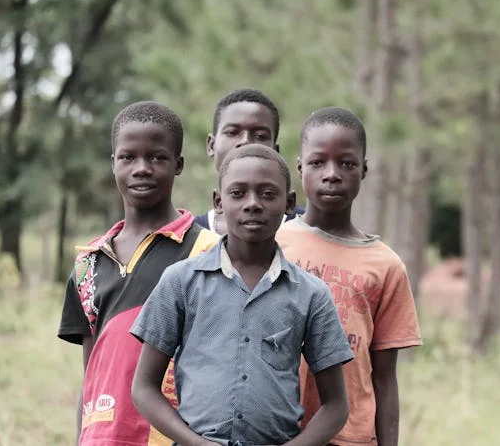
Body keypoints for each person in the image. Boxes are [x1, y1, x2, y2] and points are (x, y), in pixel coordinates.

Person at [131, 144, 353, 446]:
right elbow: (144, 387)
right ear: (218, 202)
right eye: (238, 193)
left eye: (267, 194)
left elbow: (336, 406)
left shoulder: (311, 294)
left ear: (289, 204)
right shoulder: (181, 281)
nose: (253, 204)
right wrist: (195, 442)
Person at [58, 101, 219, 446]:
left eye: (157, 158)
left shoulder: (207, 251)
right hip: (104, 436)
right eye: (128, 157)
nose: (141, 168)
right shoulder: (88, 263)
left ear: (178, 165)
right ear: (113, 163)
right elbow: (93, 373)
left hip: (177, 435)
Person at [276, 107, 422, 446]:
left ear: (364, 170)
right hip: (278, 431)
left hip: (352, 436)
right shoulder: (273, 245)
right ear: (299, 168)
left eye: (346, 163)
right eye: (317, 163)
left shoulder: (386, 265)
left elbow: (385, 377)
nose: (332, 174)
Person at [195, 88, 303, 234]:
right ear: (211, 145)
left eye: (260, 135)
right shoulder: (189, 236)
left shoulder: (305, 229)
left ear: (275, 151)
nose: (245, 141)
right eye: (232, 132)